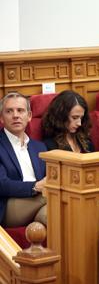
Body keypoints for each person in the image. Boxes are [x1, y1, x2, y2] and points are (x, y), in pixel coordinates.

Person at [0, 92, 47, 227]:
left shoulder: (39, 147)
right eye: (9, 111)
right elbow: (2, 184)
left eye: (20, 110)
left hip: (39, 201)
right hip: (9, 205)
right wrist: (35, 187)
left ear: (29, 116)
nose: (16, 115)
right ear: (2, 118)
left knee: (48, 215)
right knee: (55, 196)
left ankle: (36, 227)